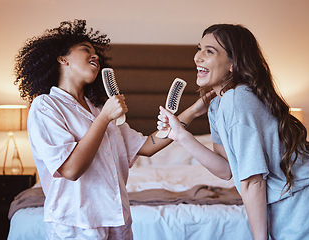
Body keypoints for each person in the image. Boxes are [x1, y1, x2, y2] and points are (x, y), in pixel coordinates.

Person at [157, 24, 309, 240]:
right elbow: (225, 170)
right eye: (199, 48)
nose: (197, 57)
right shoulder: (217, 106)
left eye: (209, 51)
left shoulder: (237, 100)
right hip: (286, 213)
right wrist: (182, 136)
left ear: (233, 63)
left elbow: (253, 180)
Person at [14, 19, 206, 240]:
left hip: (117, 220)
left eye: (97, 54)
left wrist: (194, 110)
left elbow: (148, 146)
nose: (95, 56)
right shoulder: (46, 106)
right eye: (87, 50)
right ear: (62, 59)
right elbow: (70, 169)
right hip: (76, 224)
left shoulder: (98, 108)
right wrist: (105, 117)